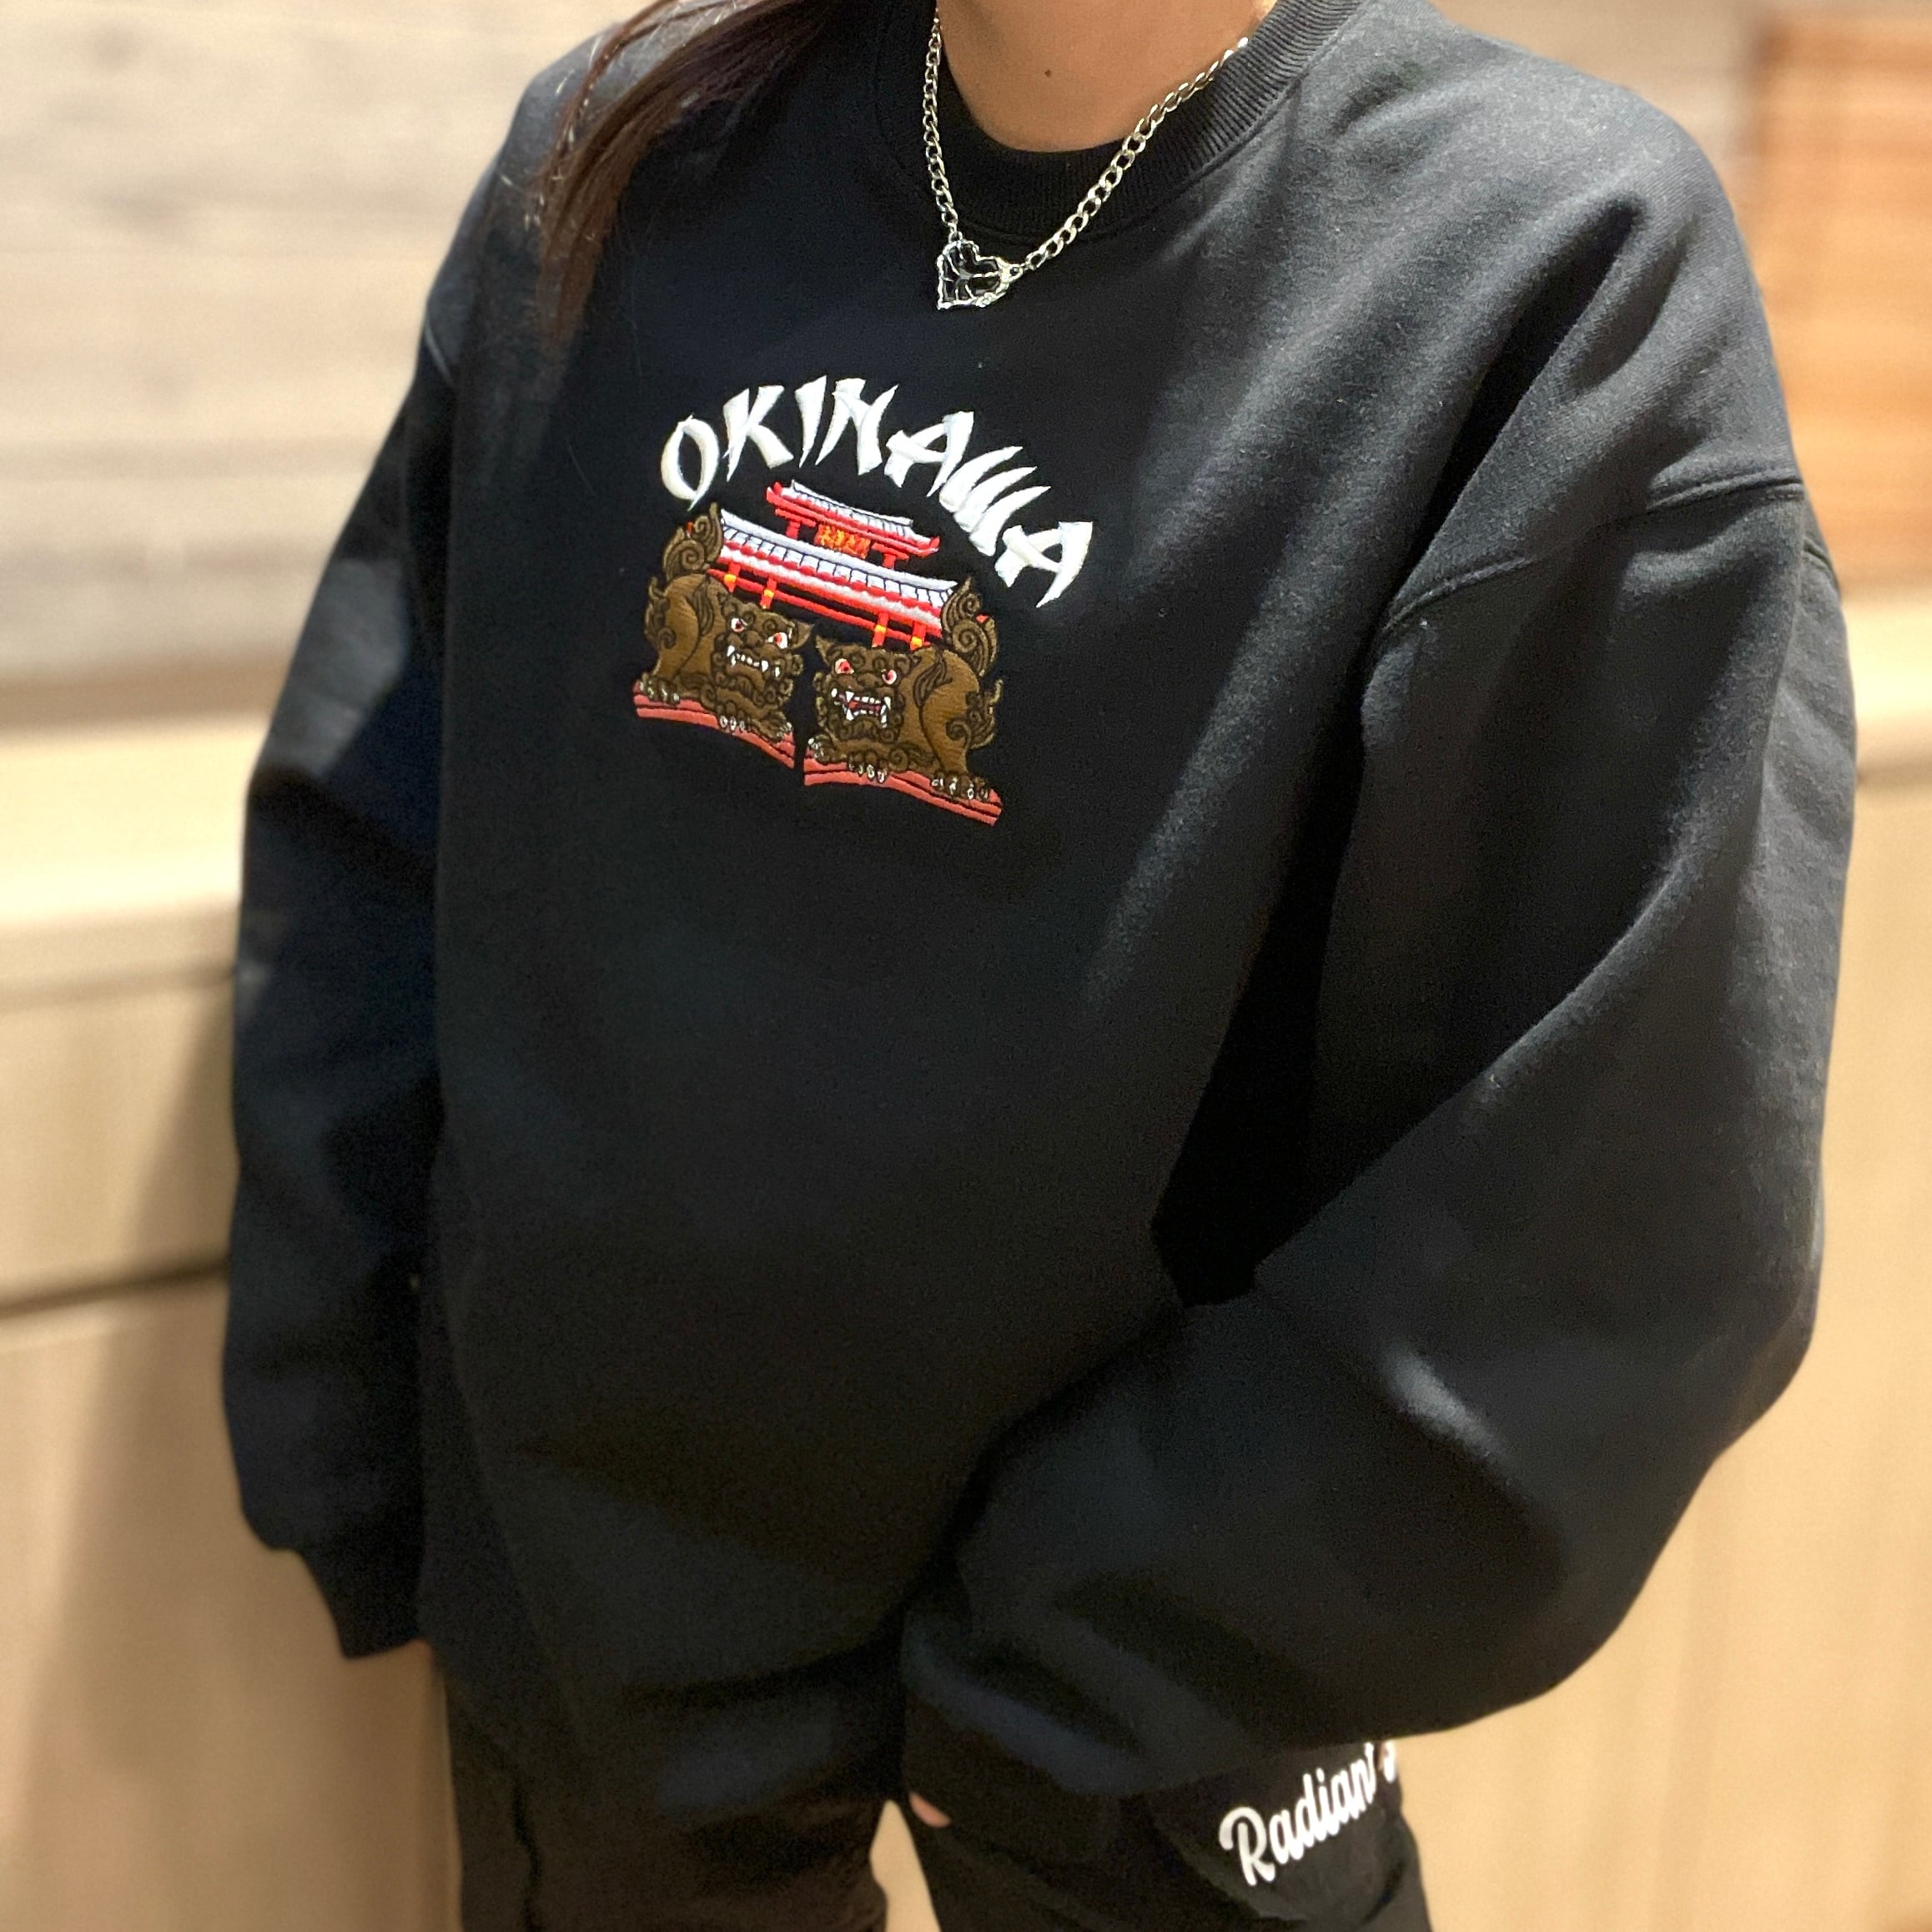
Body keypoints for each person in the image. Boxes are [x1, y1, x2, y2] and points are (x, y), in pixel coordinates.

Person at [221, 0, 1856, 1923]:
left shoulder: (1544, 266)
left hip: (1150, 1770)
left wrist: (1082, 1670)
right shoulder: (623, 158)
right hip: (604, 1703)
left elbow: (1624, 1220)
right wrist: (372, 1479)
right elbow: (378, 849)